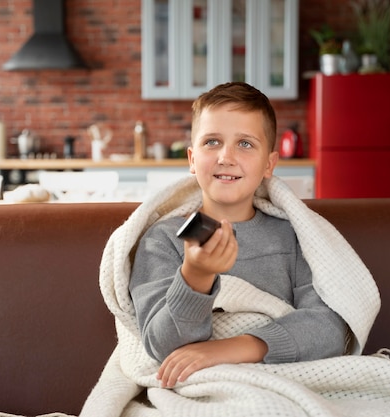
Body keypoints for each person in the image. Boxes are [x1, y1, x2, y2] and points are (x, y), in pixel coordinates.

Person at [129, 82, 347, 390]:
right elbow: (162, 345)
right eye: (212, 142)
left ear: (269, 164)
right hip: (201, 389)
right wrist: (196, 275)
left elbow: (328, 329)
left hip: (279, 383)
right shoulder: (164, 240)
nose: (226, 156)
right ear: (192, 159)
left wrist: (231, 349)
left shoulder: (294, 236)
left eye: (245, 144)